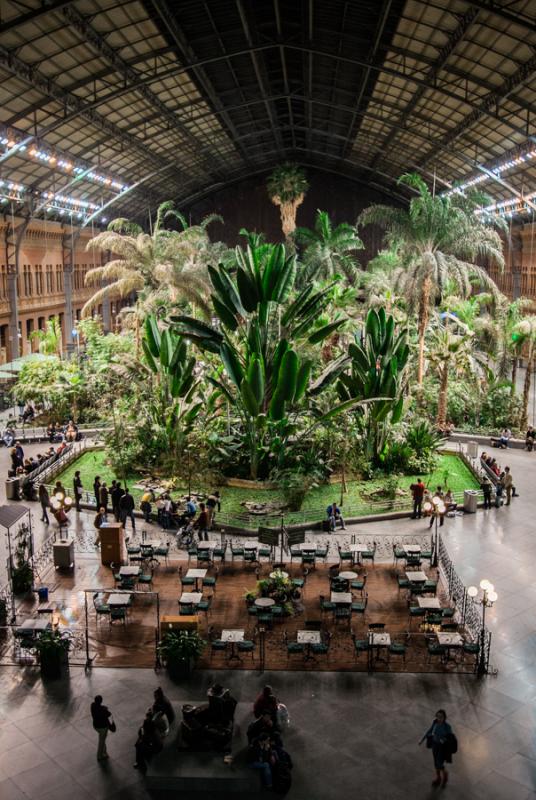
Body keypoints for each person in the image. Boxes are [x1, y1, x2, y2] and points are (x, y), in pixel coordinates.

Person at [419, 709, 455, 788]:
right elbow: (429, 730)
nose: (439, 718)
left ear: (444, 718)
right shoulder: (435, 722)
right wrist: (422, 739)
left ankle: (445, 775)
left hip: (442, 747)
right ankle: (438, 778)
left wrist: (443, 740)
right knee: (436, 762)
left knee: (439, 763)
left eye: (441, 717)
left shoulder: (447, 726)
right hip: (434, 745)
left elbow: (450, 737)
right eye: (437, 716)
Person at [90, 695, 112, 761]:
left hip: (96, 725)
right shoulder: (103, 710)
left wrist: (103, 707)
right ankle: (99, 755)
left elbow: (98, 707)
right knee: (101, 741)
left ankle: (104, 752)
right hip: (103, 727)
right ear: (101, 701)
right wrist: (105, 709)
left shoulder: (92, 705)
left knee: (102, 739)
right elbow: (109, 714)